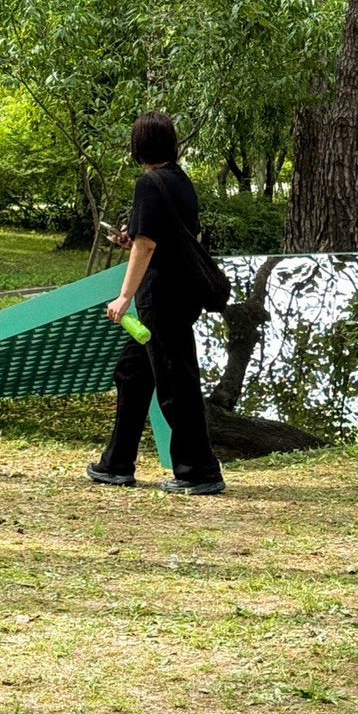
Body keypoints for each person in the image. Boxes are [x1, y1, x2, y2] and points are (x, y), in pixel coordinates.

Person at [87, 112, 226, 495]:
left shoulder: (149, 183)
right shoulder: (181, 181)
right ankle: (116, 463)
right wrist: (131, 239)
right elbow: (176, 235)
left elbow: (147, 246)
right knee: (132, 374)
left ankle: (199, 471)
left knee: (176, 383)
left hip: (162, 297)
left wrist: (123, 297)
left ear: (138, 146)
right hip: (183, 293)